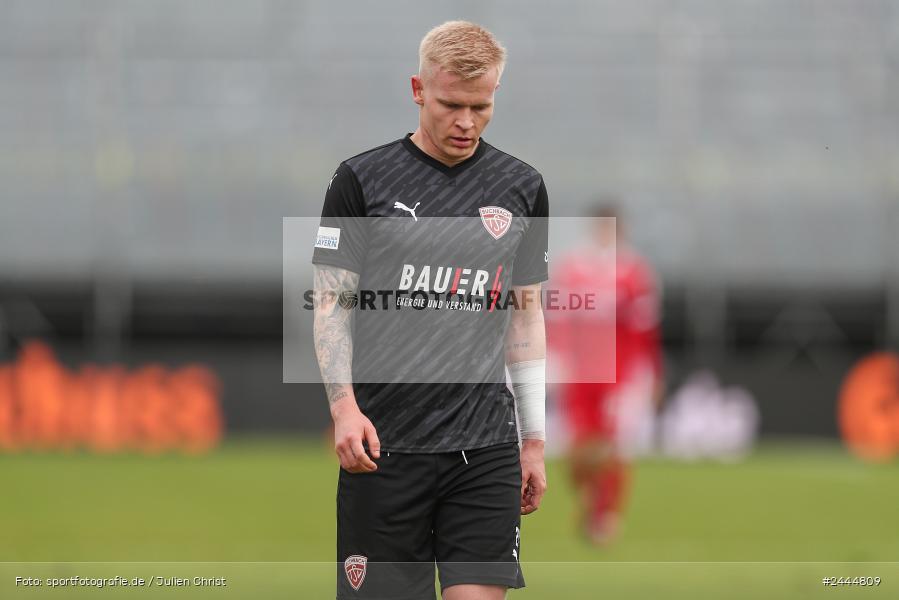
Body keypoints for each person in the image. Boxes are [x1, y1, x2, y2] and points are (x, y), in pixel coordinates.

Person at [311, 21, 549, 600]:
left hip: (485, 447)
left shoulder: (523, 186)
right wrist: (343, 408)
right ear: (418, 90)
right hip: (383, 449)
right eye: (451, 104)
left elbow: (525, 316)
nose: (467, 121)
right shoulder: (360, 180)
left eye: (481, 105)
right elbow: (330, 303)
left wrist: (534, 439)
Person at [549, 204, 663, 545]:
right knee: (579, 448)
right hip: (579, 373)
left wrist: (651, 373)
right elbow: (556, 319)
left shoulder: (634, 272)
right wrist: (555, 357)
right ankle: (589, 498)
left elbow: (645, 330)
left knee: (613, 446)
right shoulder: (571, 268)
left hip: (617, 374)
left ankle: (605, 514)